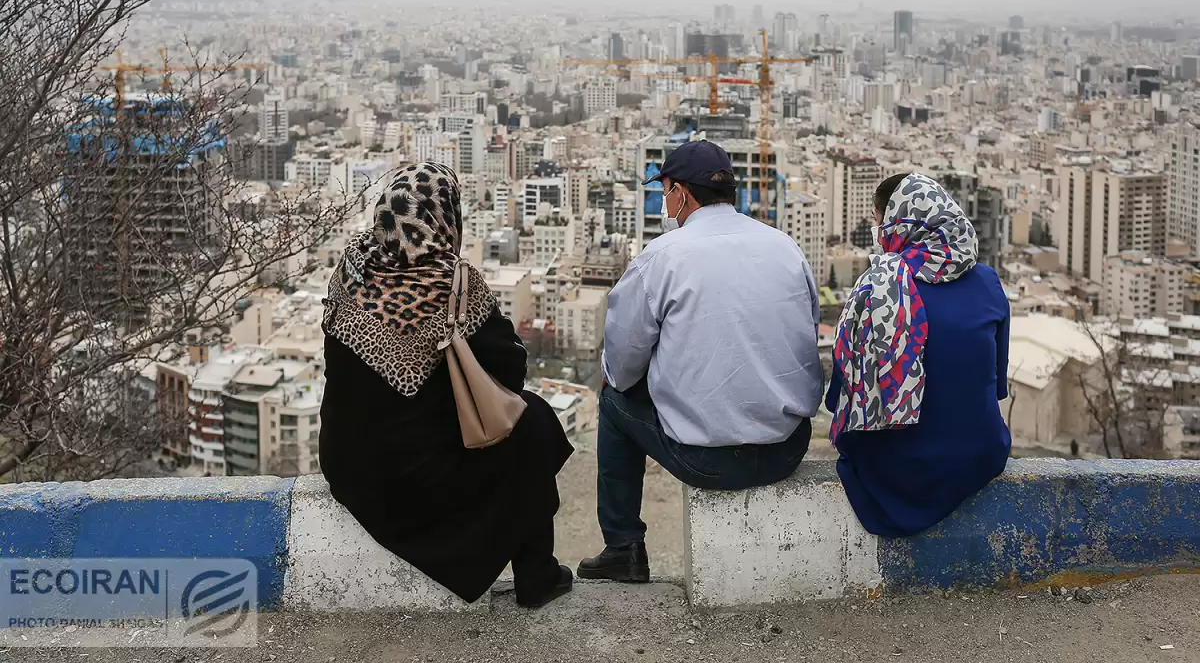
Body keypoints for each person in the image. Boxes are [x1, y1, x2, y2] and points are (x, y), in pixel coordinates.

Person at [319, 162, 574, 608]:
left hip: (349, 467)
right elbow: (510, 375)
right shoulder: (453, 284)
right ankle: (537, 574)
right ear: (446, 217)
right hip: (418, 474)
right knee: (533, 424)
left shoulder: (349, 271)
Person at [578, 140, 824, 583]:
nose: (665, 202)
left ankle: (623, 547)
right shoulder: (785, 247)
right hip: (787, 448)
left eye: (665, 191)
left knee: (613, 400)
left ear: (681, 194)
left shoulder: (664, 256)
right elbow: (806, 330)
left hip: (707, 461)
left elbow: (622, 360)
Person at [826, 172, 1011, 538]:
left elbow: (840, 400)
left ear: (897, 223)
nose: (879, 233)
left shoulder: (877, 287)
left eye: (880, 222)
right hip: (981, 456)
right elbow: (995, 386)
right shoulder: (989, 281)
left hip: (895, 471)